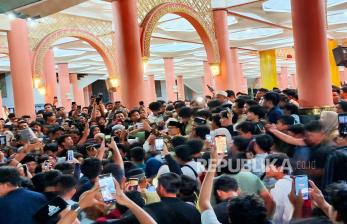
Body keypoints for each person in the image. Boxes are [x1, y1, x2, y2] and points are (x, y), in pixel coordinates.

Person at [265, 153, 294, 224]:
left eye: (269, 166)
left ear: (280, 168)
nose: (265, 169)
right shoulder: (293, 180)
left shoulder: (279, 185)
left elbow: (278, 211)